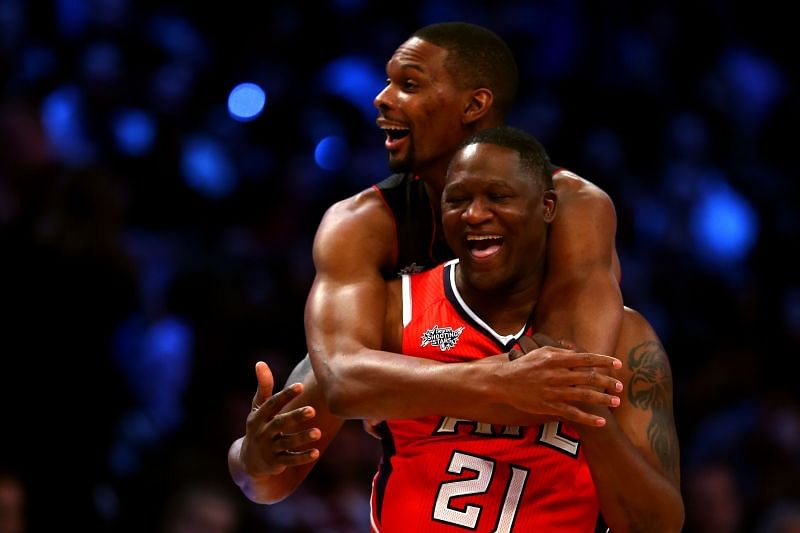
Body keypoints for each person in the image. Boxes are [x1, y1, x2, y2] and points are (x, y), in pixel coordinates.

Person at [229, 20, 622, 506]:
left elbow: (568, 379)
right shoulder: (359, 222)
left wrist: (398, 389)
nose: (381, 98)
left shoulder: (573, 204)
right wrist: (252, 460)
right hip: (447, 462)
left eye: (408, 84)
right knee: (277, 440)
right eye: (389, 80)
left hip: (546, 470)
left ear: (474, 105)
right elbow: (342, 383)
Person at [238, 126, 685, 531]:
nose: (475, 214)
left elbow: (659, 526)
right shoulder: (394, 311)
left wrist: (587, 413)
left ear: (547, 207)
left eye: (498, 196)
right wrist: (254, 459)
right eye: (458, 199)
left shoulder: (623, 338)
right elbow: (262, 479)